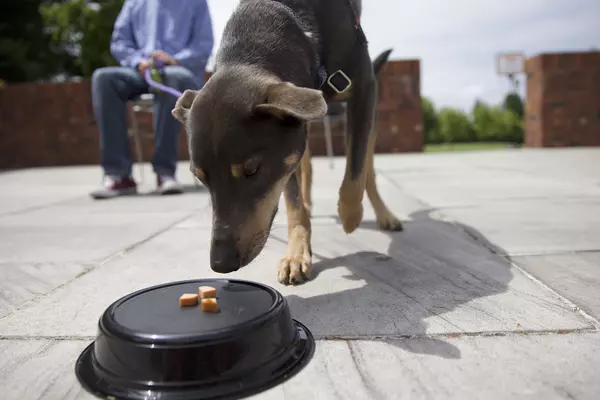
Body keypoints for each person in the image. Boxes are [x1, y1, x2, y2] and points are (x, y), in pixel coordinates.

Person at [90, 0, 214, 199]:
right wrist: (137, 61)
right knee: (103, 78)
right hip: (141, 71)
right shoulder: (134, 3)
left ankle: (165, 173)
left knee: (172, 77)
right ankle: (119, 175)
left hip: (179, 71)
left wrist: (174, 59)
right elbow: (120, 42)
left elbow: (203, 44)